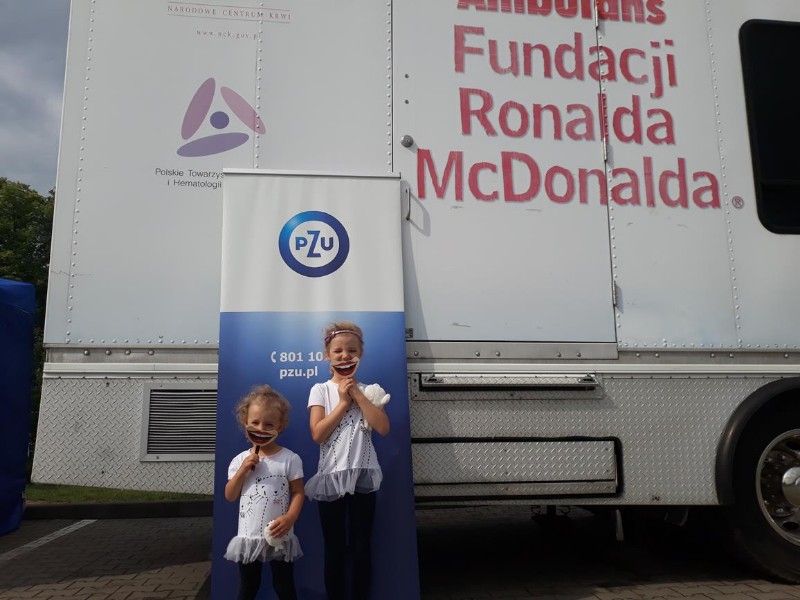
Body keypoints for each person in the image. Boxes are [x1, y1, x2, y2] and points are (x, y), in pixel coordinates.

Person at [305, 321, 390, 600]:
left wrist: (356, 395)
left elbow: (383, 428)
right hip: (331, 477)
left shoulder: (370, 390)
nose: (345, 356)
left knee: (361, 545)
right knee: (334, 547)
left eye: (352, 351)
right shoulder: (320, 390)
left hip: (363, 475)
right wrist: (343, 402)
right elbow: (318, 434)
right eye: (338, 351)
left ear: (360, 354)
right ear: (327, 355)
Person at [224, 385, 304, 600]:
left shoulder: (290, 459)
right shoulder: (239, 460)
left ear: (281, 426)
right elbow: (230, 495)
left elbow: (298, 492)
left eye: (269, 424)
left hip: (280, 535)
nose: (261, 429)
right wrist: (242, 470)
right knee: (248, 587)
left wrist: (290, 518)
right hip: (249, 536)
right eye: (255, 422)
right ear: (245, 422)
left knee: (284, 586)